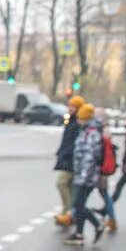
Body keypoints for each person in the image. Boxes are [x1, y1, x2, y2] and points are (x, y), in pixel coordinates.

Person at [64, 104, 106, 246]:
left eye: (81, 118)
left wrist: (83, 177)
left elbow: (90, 157)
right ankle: (79, 233)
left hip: (86, 177)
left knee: (78, 204)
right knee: (79, 205)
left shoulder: (92, 132)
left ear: (86, 118)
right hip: (83, 175)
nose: (79, 120)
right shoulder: (87, 130)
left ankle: (97, 225)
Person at [53, 94, 87, 227]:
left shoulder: (79, 123)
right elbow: (65, 138)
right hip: (66, 157)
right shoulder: (70, 120)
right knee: (70, 187)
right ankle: (69, 214)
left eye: (73, 106)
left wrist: (68, 153)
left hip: (72, 159)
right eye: (70, 106)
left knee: (61, 183)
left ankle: (68, 212)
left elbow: (76, 142)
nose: (70, 108)